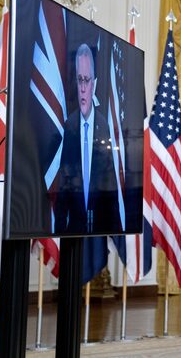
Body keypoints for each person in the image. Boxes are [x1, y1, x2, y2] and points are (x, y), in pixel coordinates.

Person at [53, 43, 117, 234]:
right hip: (74, 229)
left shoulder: (104, 126)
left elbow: (109, 182)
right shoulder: (70, 126)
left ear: (94, 83)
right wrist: (59, 231)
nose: (82, 88)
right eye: (79, 80)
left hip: (100, 230)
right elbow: (64, 182)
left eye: (86, 80)